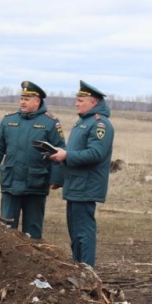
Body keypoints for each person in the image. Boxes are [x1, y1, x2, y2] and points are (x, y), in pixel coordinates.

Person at [0, 81, 66, 239]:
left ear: (37, 101)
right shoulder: (8, 121)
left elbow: (59, 151)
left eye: (27, 99)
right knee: (6, 227)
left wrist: (56, 179)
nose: (22, 101)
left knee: (33, 231)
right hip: (11, 181)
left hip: (36, 183)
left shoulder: (50, 123)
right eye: (21, 98)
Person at [48, 80, 114, 267]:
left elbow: (95, 154)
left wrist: (66, 155)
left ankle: (87, 271)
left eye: (80, 100)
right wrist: (59, 178)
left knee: (84, 232)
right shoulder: (83, 123)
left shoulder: (100, 125)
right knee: (75, 232)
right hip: (75, 185)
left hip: (86, 186)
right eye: (76, 100)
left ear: (93, 102)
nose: (76, 103)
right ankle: (78, 269)